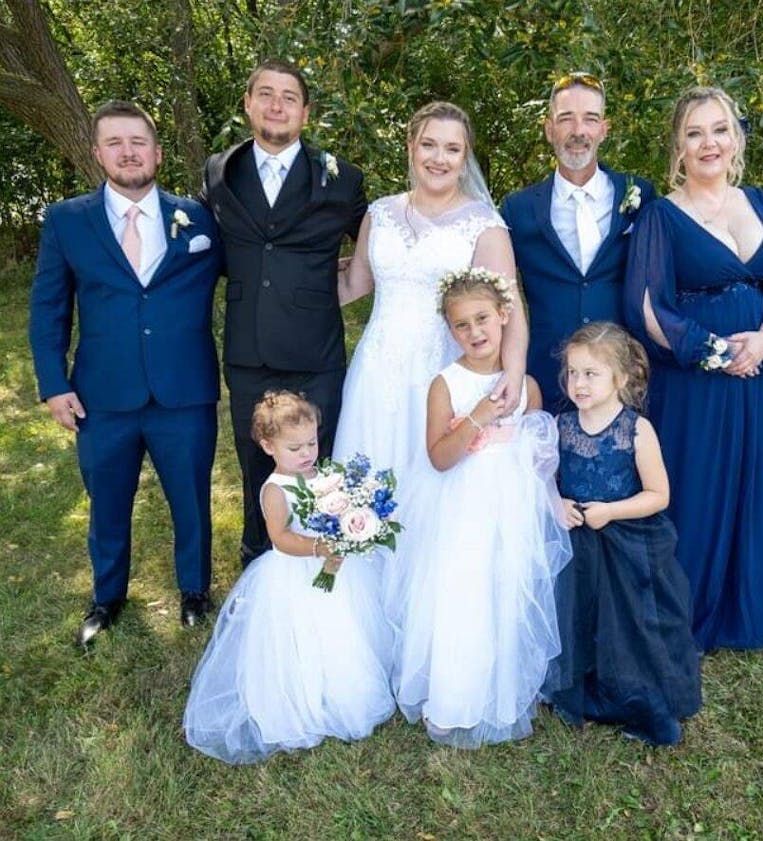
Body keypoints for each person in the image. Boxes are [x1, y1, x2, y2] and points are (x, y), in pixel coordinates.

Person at [28, 101, 222, 644]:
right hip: (102, 394)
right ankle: (107, 596)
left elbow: (256, 270)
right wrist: (54, 384)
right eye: (115, 142)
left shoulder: (199, 217)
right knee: (108, 501)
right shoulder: (67, 220)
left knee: (191, 498)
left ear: (157, 153)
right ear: (98, 153)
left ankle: (194, 591)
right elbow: (48, 307)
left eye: (138, 141)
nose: (128, 152)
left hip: (184, 390)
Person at [623, 86, 763, 653]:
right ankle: (685, 613)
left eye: (719, 129)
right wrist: (717, 353)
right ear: (678, 145)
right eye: (694, 133)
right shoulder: (661, 215)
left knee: (750, 482)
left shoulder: (759, 202)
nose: (709, 143)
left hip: (753, 373)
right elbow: (647, 308)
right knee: (696, 489)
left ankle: (748, 611)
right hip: (695, 380)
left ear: (735, 137)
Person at [387, 268, 570, 748]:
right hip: (460, 507)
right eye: (462, 325)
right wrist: (477, 416)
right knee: (462, 591)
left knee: (505, 588)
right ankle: (453, 698)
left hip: (510, 507)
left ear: (504, 315)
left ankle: (500, 693)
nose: (474, 332)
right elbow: (439, 457)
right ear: (450, 330)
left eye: (483, 319)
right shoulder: (445, 384)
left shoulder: (525, 385)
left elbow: (537, 453)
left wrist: (549, 503)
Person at [201, 59, 366, 567]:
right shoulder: (219, 171)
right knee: (257, 463)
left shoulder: (342, 179)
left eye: (289, 97)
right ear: (248, 104)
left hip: (316, 351)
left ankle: (326, 568)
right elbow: (205, 248)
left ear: (305, 112)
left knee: (319, 464)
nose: (277, 105)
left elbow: (381, 250)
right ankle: (257, 561)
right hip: (248, 350)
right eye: (266, 94)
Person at [183, 391, 395, 764]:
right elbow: (280, 538)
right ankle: (303, 698)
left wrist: (354, 525)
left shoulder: (325, 476)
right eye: (294, 448)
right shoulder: (275, 490)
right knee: (303, 637)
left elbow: (342, 510)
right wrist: (318, 547)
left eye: (312, 443)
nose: (306, 453)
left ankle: (341, 691)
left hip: (336, 572)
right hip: (295, 574)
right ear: (269, 446)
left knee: (343, 631)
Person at [333, 101, 526, 485]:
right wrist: (290, 284)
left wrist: (514, 372)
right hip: (377, 369)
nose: (439, 159)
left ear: (464, 157)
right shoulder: (379, 214)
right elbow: (355, 284)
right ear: (411, 147)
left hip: (444, 368)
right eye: (429, 145)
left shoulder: (483, 224)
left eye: (452, 149)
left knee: (433, 479)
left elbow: (510, 307)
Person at [544, 322, 702, 745]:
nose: (579, 383)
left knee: (632, 625)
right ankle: (593, 691)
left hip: (629, 543)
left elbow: (659, 495)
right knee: (583, 618)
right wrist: (557, 503)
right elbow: (547, 482)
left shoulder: (635, 429)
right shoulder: (562, 425)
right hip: (580, 543)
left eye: (591, 374)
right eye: (572, 373)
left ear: (620, 378)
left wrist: (611, 511)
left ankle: (647, 704)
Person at [501, 72, 657, 412]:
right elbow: (500, 295)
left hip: (620, 378)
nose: (578, 131)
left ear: (604, 129)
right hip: (547, 375)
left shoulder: (640, 194)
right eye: (566, 119)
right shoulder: (518, 208)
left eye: (590, 119)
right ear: (549, 129)